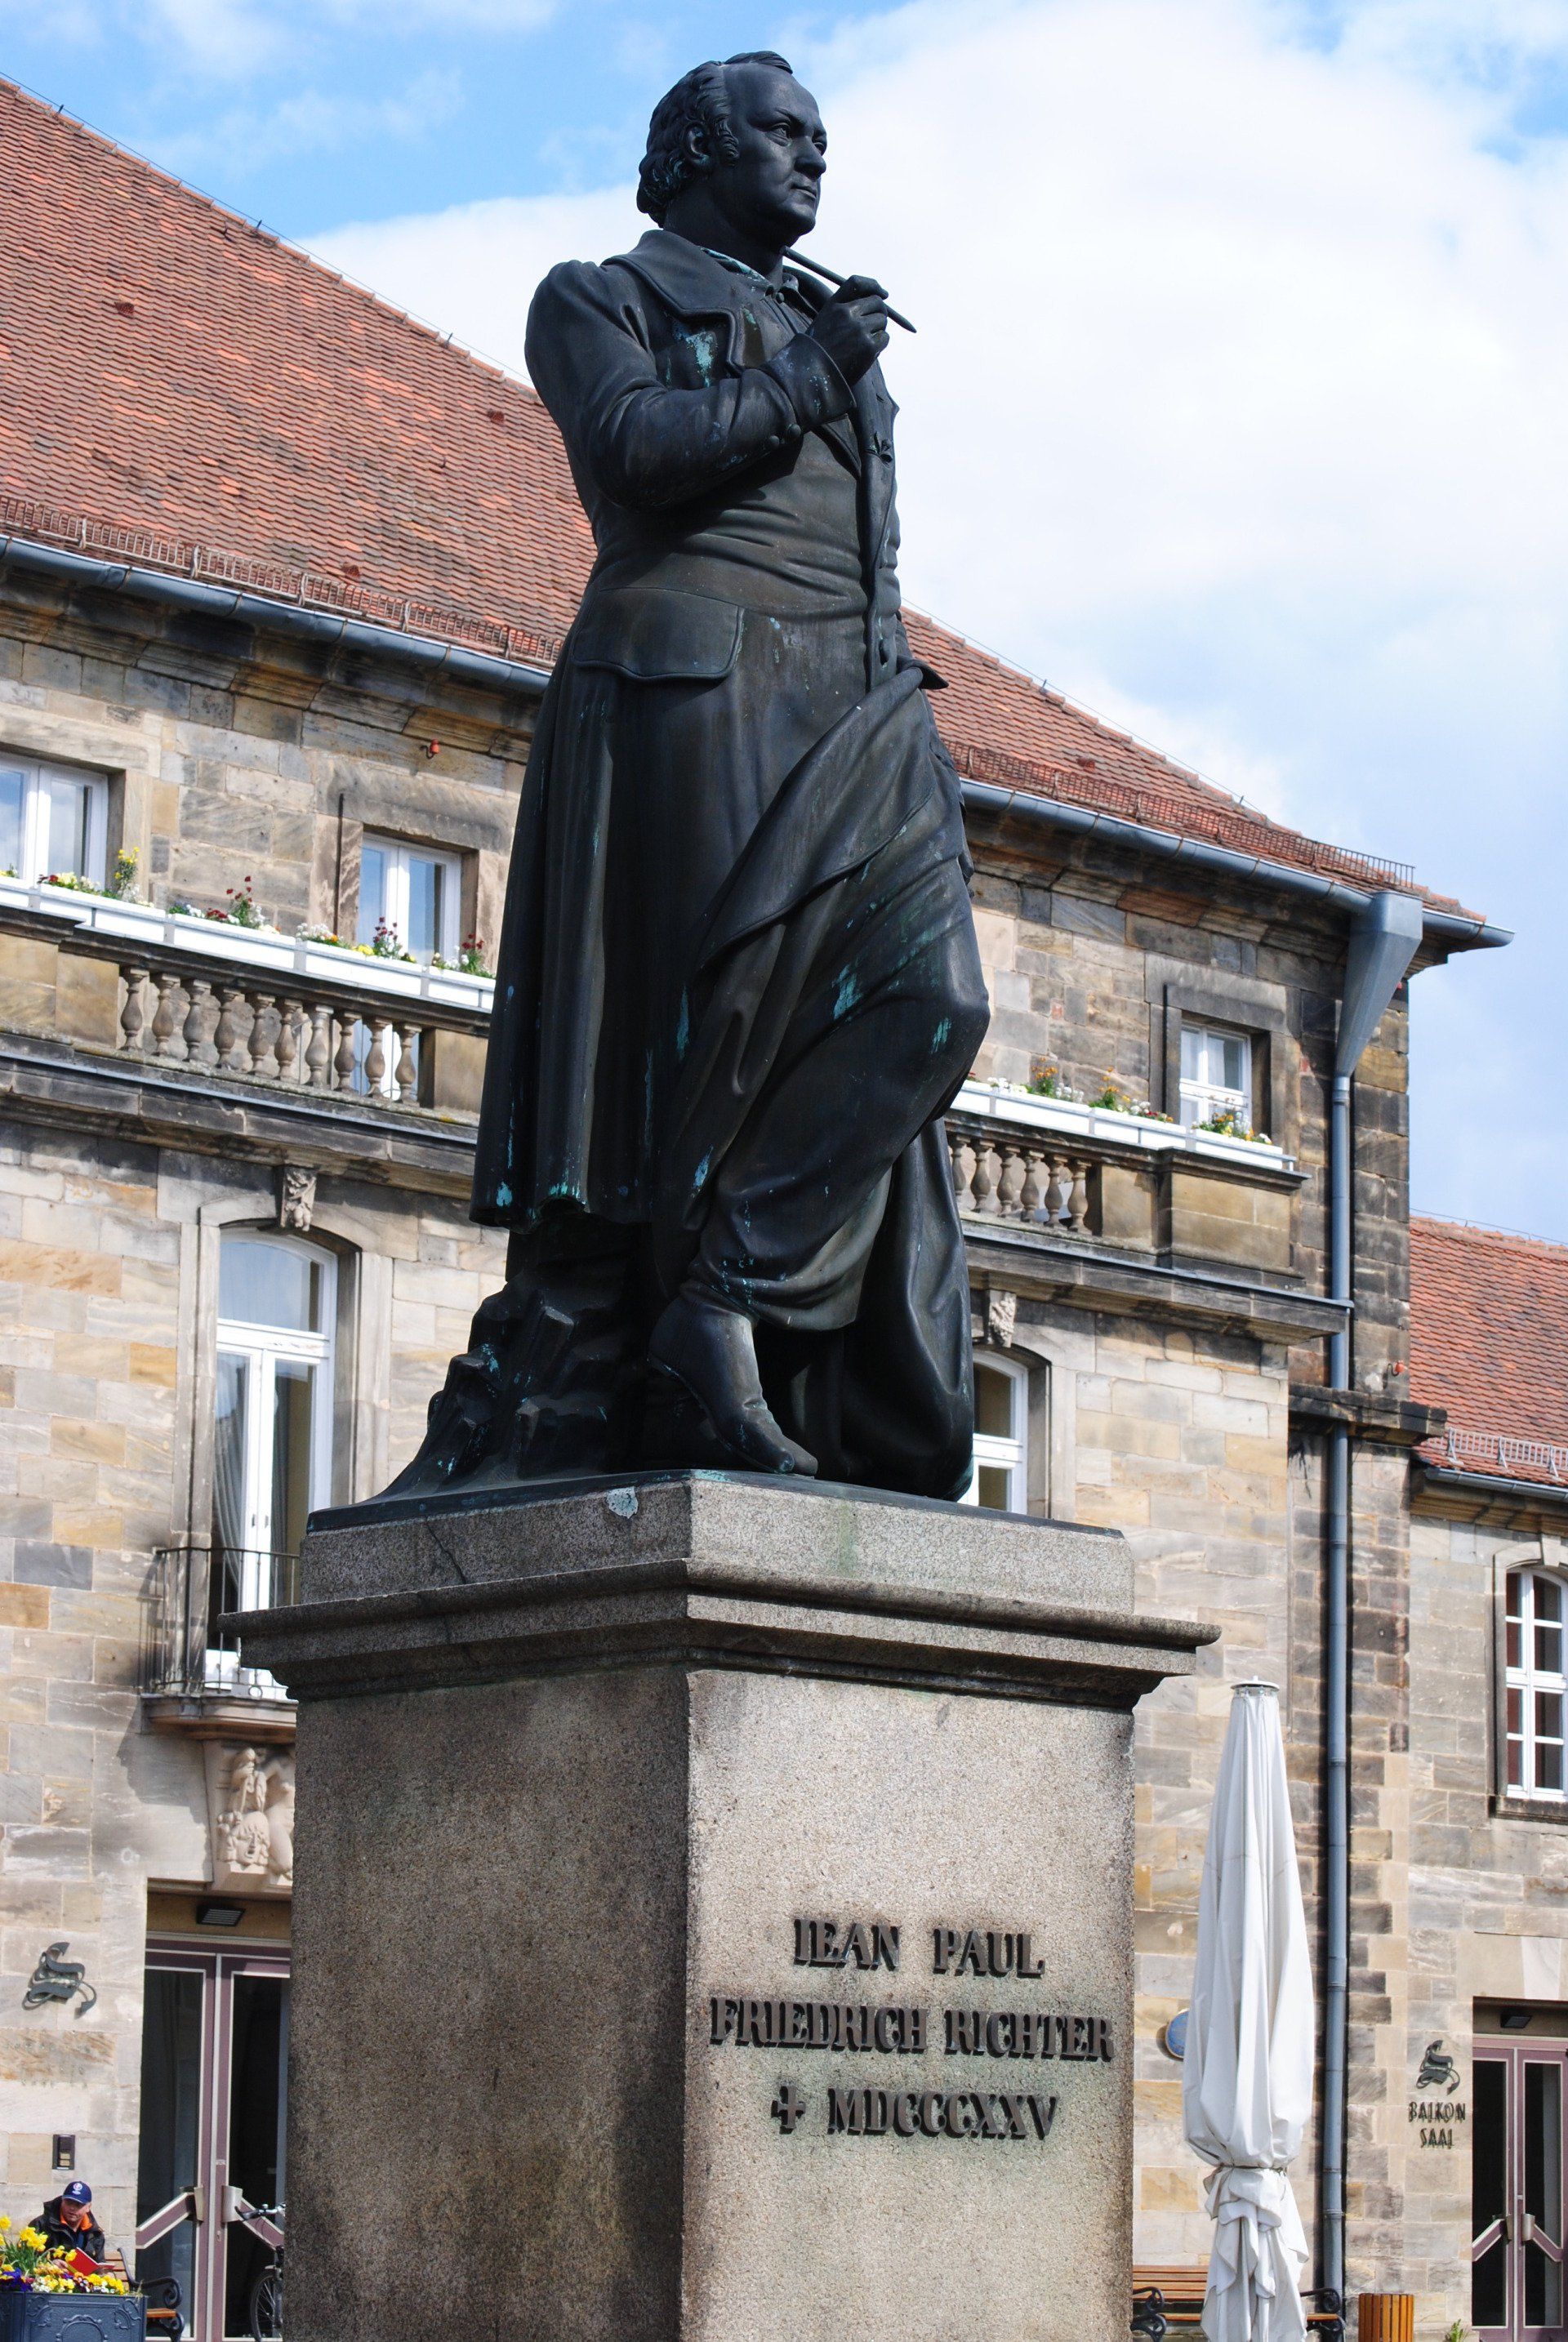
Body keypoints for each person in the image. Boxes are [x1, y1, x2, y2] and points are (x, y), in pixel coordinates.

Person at [398, 49, 987, 1500]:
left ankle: (726, 1296)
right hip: (696, 691)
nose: (813, 159)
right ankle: (690, 1332)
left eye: (821, 139)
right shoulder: (601, 293)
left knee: (933, 998)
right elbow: (636, 450)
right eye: (783, 135)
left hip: (854, 701)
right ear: (695, 152)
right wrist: (815, 369)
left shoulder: (811, 314)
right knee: (721, 1033)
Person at [38, 2179, 105, 2264]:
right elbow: (26, 2260)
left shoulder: (95, 2232)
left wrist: (108, 2273)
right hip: (51, 2276)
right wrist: (50, 2264)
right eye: (69, 2203)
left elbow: (101, 2262)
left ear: (88, 2207)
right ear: (62, 2201)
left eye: (78, 2205)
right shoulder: (41, 2224)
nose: (72, 2208)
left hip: (84, 2277)